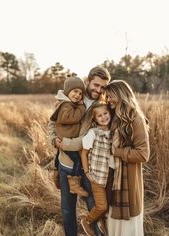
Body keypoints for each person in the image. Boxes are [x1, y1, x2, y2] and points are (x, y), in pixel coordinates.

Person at [48, 66, 111, 236]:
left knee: (95, 207)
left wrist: (65, 144)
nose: (98, 90)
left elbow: (86, 140)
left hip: (89, 168)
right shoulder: (71, 98)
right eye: (96, 85)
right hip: (65, 164)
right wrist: (53, 139)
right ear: (88, 81)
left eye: (103, 87)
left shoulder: (103, 108)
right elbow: (53, 122)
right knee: (68, 209)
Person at [105, 80, 150, 236]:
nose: (108, 100)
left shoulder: (136, 119)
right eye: (107, 96)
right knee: (113, 222)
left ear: (121, 95)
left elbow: (143, 154)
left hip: (128, 182)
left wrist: (118, 152)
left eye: (110, 96)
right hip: (112, 179)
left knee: (128, 226)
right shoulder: (112, 117)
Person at [80, 102, 118, 236]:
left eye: (105, 113)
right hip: (96, 176)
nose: (103, 117)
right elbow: (83, 153)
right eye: (99, 116)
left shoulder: (114, 132)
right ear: (95, 119)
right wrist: (86, 172)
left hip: (111, 175)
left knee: (109, 206)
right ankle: (86, 220)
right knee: (102, 206)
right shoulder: (93, 133)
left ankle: (102, 224)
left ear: (110, 113)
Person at [50, 76, 88, 197]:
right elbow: (71, 118)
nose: (78, 95)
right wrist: (82, 107)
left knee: (57, 157)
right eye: (75, 91)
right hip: (65, 140)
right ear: (67, 91)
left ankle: (56, 175)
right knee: (76, 160)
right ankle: (74, 185)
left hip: (64, 140)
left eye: (81, 93)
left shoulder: (67, 103)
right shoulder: (66, 105)